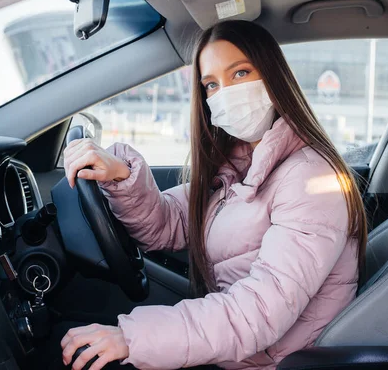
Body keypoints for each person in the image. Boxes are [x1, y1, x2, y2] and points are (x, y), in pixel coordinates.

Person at [61, 20, 368, 370]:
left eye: (239, 74)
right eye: (211, 84)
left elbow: (260, 311)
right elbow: (169, 224)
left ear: (273, 76)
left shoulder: (310, 179)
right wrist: (121, 174)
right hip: (241, 354)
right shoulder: (238, 167)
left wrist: (133, 338)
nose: (225, 93)